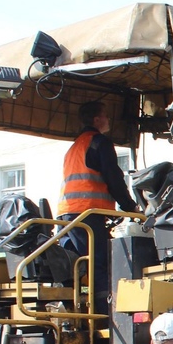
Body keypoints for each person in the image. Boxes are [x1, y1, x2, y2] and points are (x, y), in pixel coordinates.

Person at [59, 100, 139, 313]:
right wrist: (132, 207)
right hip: (88, 214)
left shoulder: (75, 146)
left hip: (68, 215)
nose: (108, 119)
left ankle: (77, 311)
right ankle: (104, 315)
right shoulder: (99, 142)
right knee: (99, 264)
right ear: (97, 119)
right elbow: (113, 178)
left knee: (77, 265)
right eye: (105, 115)